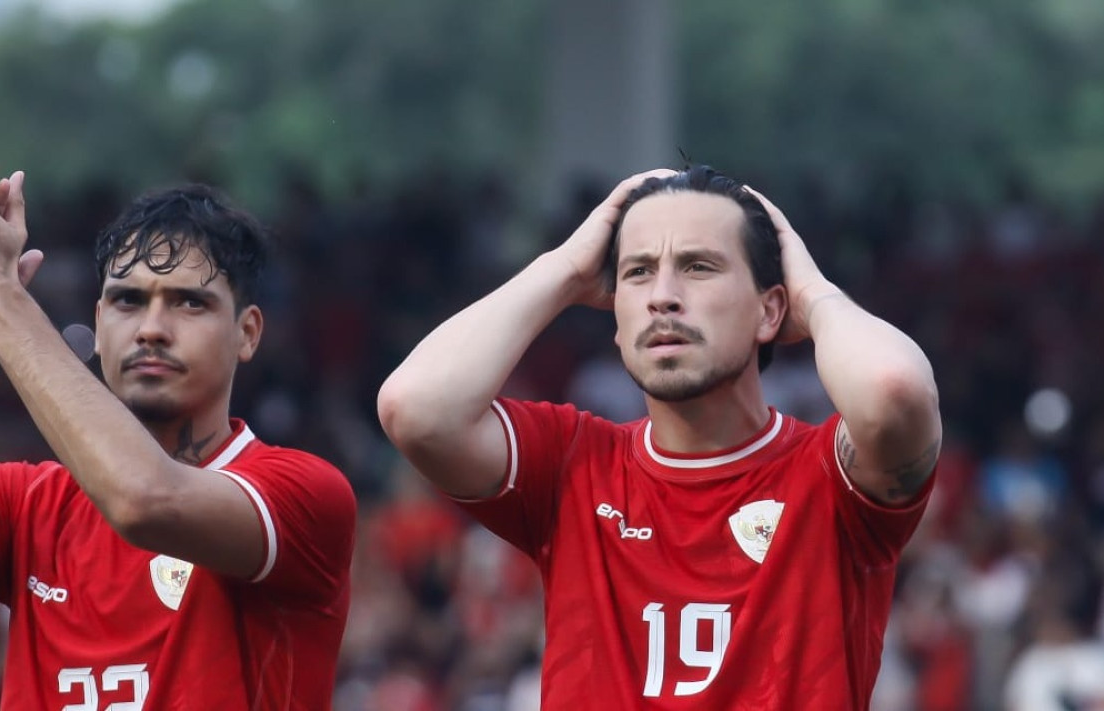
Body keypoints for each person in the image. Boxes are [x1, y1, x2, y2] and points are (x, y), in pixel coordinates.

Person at [0, 117, 356, 709]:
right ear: (99, 326)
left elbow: (144, 499)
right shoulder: (27, 503)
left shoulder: (304, 493)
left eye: (190, 302)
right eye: (128, 301)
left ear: (248, 332)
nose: (153, 329)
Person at [377, 165, 940, 709]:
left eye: (698, 267)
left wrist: (814, 295)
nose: (662, 296)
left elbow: (894, 392)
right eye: (638, 271)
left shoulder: (830, 476)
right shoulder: (570, 463)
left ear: (770, 310)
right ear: (616, 319)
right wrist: (566, 268)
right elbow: (417, 409)